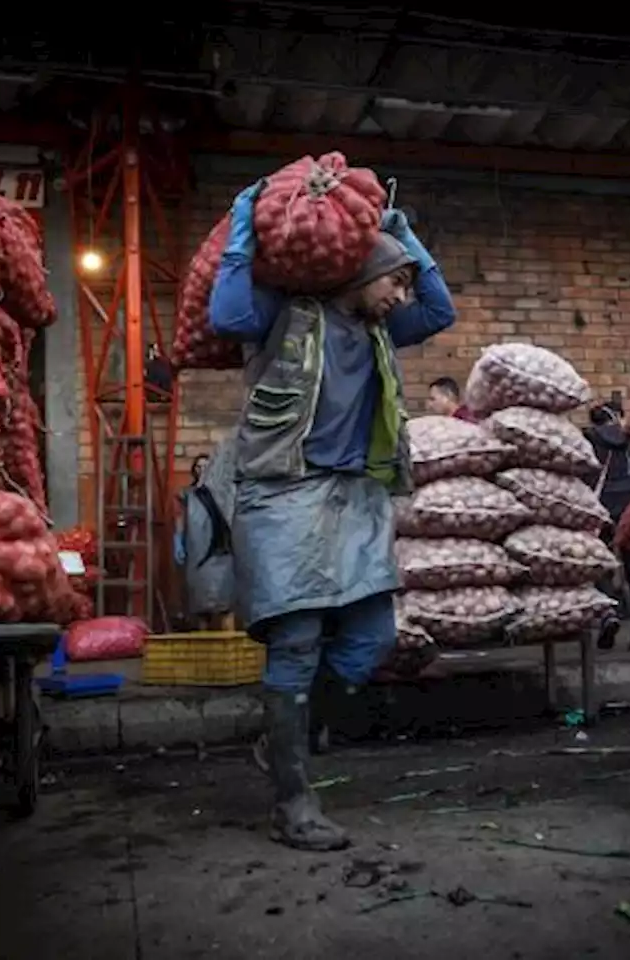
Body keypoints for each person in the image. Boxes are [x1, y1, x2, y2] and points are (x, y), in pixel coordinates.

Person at [208, 179, 455, 851]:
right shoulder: (284, 312)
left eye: (402, 285)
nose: (402, 297)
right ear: (363, 273)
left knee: (370, 640)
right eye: (393, 282)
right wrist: (240, 225)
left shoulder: (381, 328)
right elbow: (227, 316)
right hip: (282, 492)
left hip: (355, 498)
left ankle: (280, 737)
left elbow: (440, 310)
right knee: (297, 641)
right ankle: (293, 803)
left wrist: (405, 239)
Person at [584, 400, 630, 650]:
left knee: (601, 567)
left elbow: (585, 478)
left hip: (603, 511)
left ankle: (608, 616)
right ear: (620, 416)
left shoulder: (590, 442)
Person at [173, 450, 235, 629]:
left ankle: (229, 650)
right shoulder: (188, 494)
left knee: (226, 604)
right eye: (198, 467)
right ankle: (204, 649)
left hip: (223, 553)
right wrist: (177, 539)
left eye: (206, 467)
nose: (202, 470)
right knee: (200, 606)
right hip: (197, 553)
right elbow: (180, 517)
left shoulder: (225, 492)